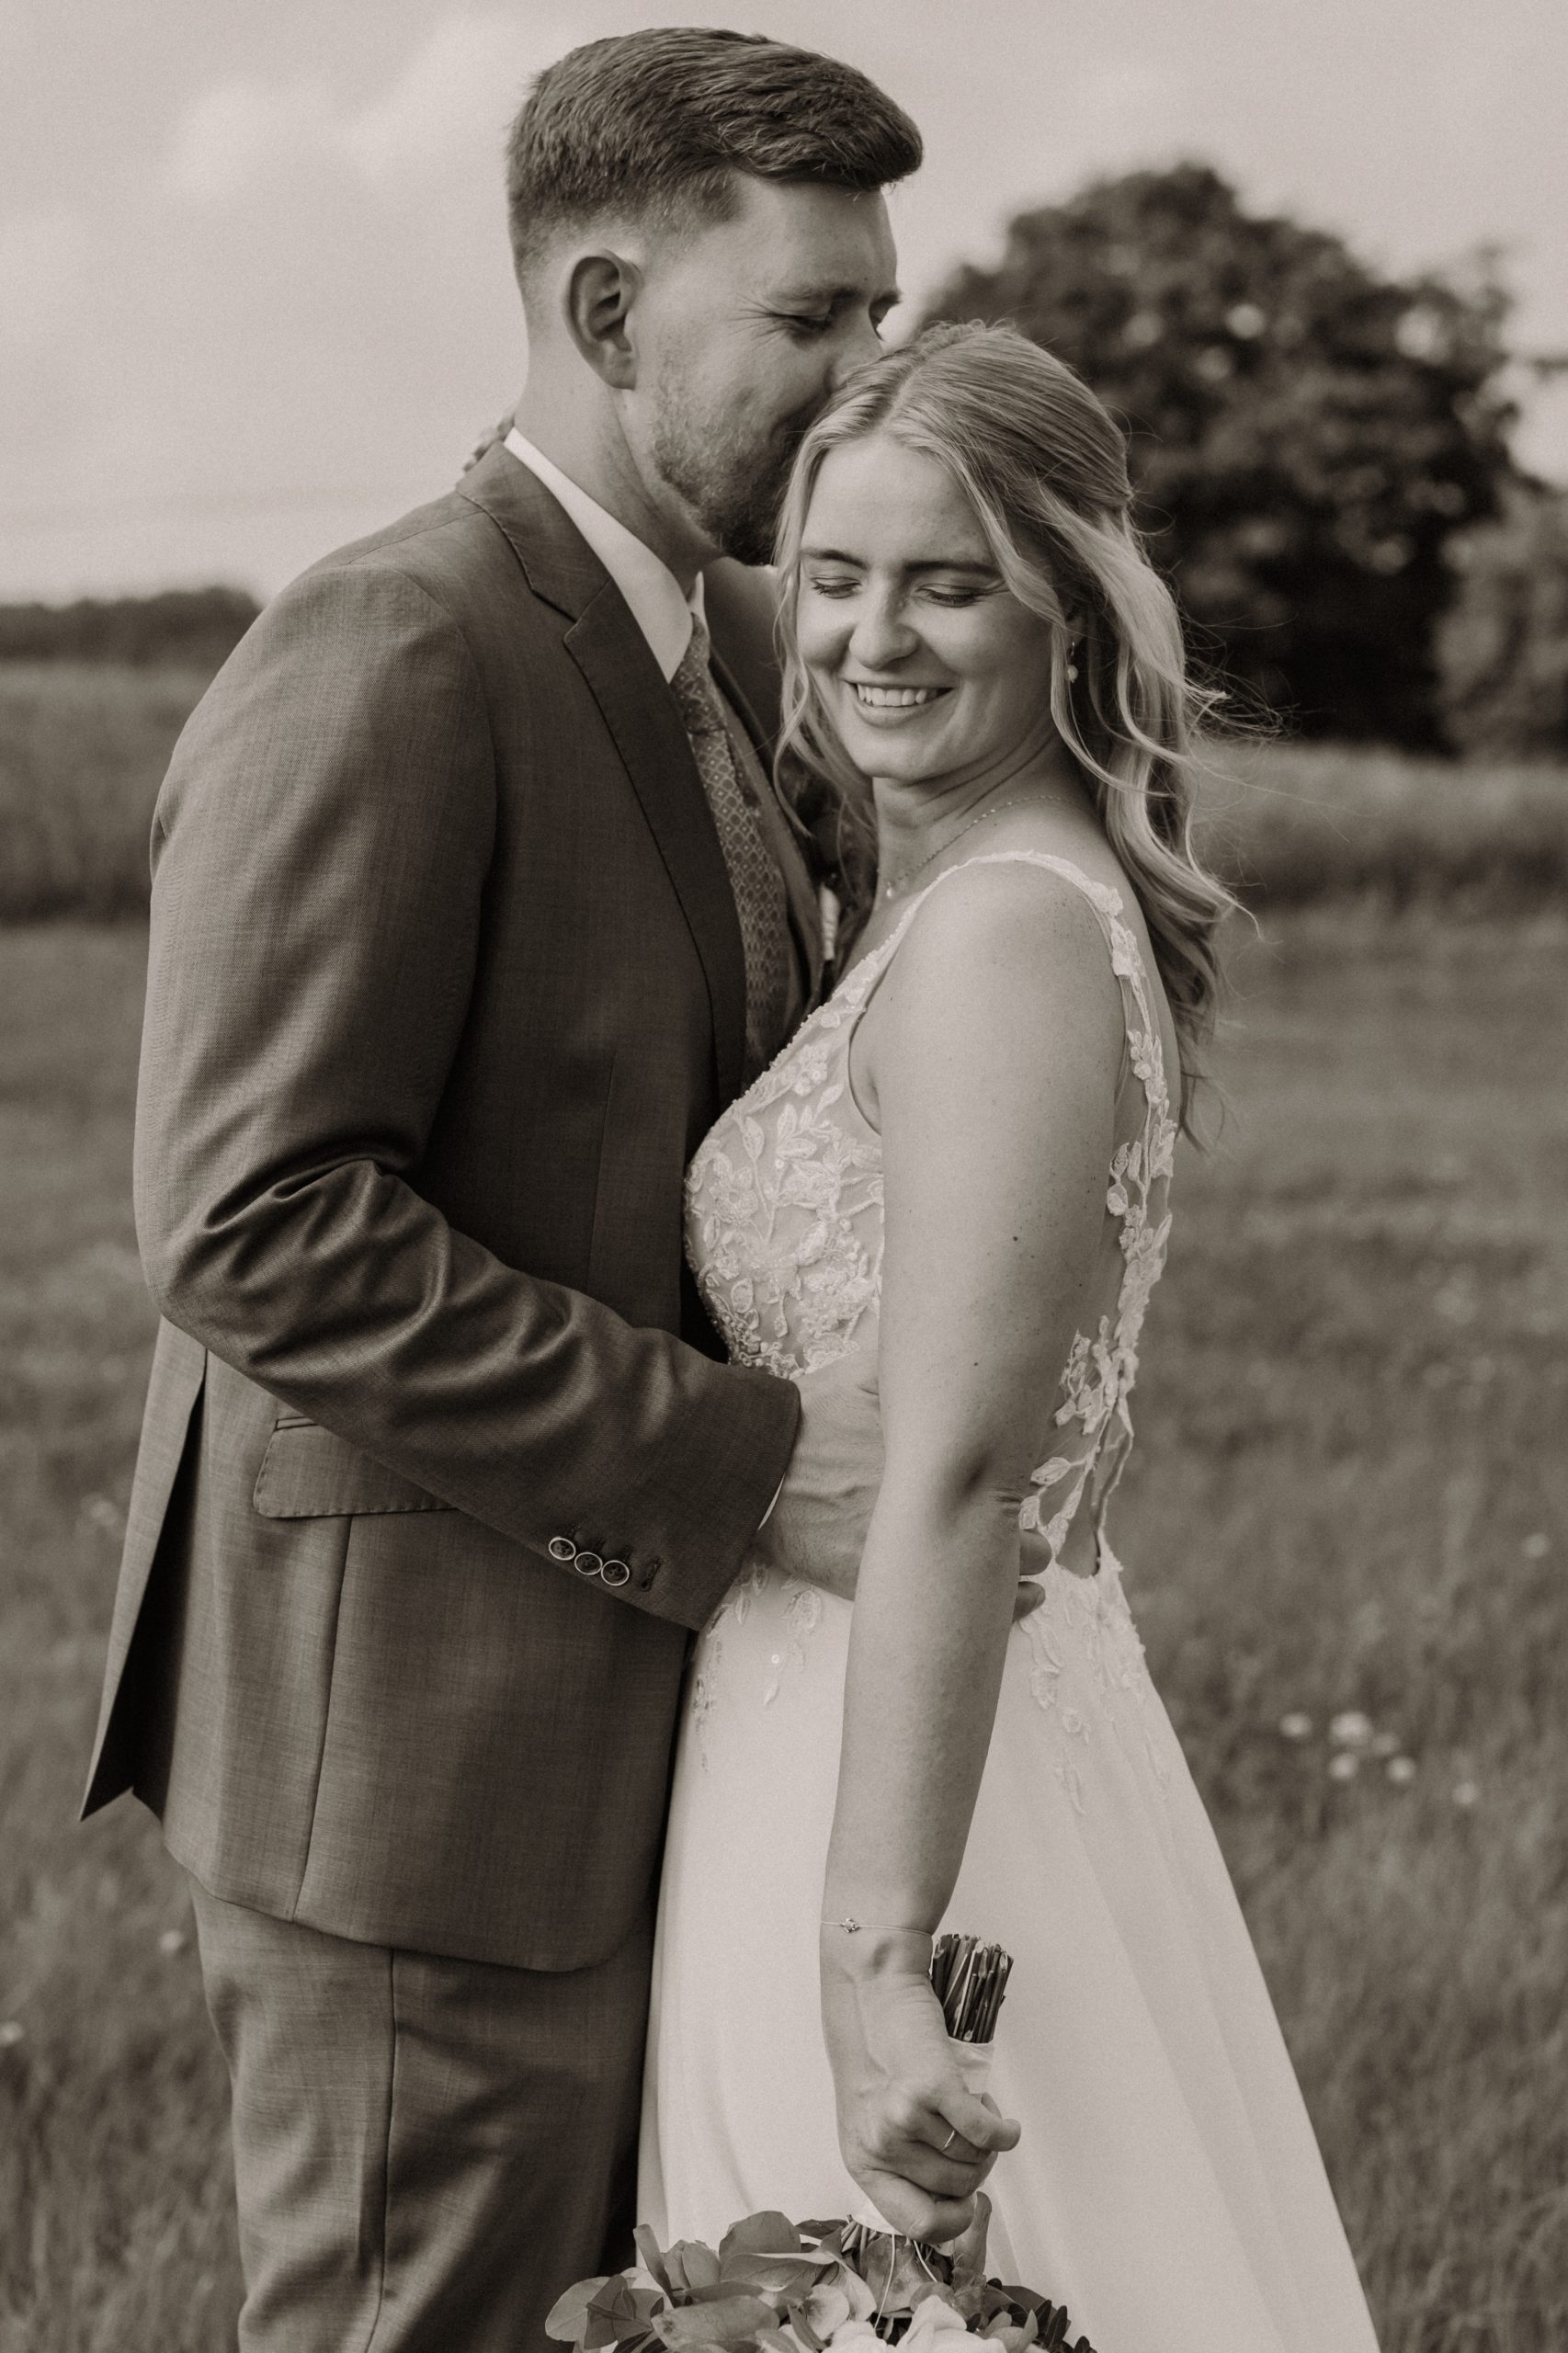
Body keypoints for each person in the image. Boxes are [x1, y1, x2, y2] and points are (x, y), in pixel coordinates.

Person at [79, 30, 947, 2353]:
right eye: (809, 321)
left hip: (652, 1742)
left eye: (882, 315)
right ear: (604, 312)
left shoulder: (735, 644)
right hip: (421, 1780)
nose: (866, 377)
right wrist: (744, 1458)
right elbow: (255, 1217)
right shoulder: (392, 643)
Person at [641, 323, 1383, 2353]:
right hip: (838, 1720)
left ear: (1069, 604)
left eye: (947, 584)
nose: (871, 636)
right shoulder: (958, 897)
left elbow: (958, 1475)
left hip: (898, 1785)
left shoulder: (1002, 935)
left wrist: (878, 1960)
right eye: (837, 574)